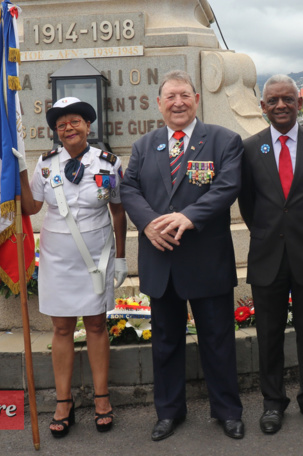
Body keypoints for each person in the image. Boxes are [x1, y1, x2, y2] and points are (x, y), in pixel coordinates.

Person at [120, 70, 245, 440]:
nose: (178, 103)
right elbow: (129, 189)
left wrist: (189, 216)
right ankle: (169, 412)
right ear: (159, 104)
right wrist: (147, 223)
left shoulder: (223, 140)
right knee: (165, 342)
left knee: (218, 341)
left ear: (197, 100)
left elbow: (227, 186)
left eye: (185, 95)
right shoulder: (144, 146)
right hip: (162, 260)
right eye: (171, 97)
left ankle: (227, 411)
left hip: (207, 259)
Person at [17, 97, 127, 438]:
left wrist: (121, 257)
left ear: (88, 125)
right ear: (56, 131)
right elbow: (32, 207)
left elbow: (118, 212)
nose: (68, 128)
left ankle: (101, 398)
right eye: (61, 124)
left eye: (75, 121)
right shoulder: (45, 164)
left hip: (96, 257)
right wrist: (18, 170)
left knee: (96, 325)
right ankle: (63, 402)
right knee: (62, 328)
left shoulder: (108, 164)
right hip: (58, 258)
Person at [238, 75, 303, 434]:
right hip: (268, 255)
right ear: (263, 107)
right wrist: (270, 232)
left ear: (299, 103)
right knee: (269, 334)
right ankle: (272, 403)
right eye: (273, 100)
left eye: (287, 99)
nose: (280, 105)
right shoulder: (250, 149)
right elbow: (248, 204)